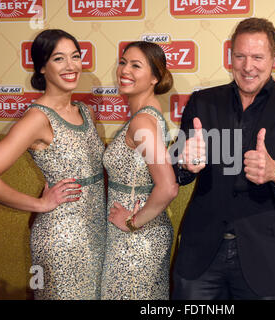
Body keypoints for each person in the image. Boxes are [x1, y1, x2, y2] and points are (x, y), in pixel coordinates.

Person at [171, 17, 275, 300]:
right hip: (200, 254)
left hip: (266, 258)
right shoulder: (202, 102)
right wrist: (183, 162)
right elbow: (178, 168)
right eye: (240, 56)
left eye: (257, 57)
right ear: (230, 57)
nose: (247, 66)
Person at [0, 29, 106, 299]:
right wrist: (40, 204)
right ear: (42, 68)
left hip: (96, 233)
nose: (71, 66)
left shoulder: (86, 111)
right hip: (61, 239)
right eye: (59, 59)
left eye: (75, 56)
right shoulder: (37, 119)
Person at [101, 41, 178, 300]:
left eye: (136, 65)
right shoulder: (147, 115)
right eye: (123, 62)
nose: (125, 70)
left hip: (136, 241)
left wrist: (133, 223)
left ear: (155, 77)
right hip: (134, 235)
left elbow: (168, 187)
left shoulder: (143, 121)